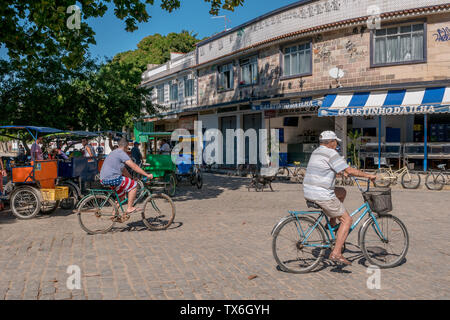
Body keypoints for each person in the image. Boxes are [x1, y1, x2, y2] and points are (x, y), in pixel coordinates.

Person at [303, 131, 377, 266]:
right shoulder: (331, 153)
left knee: (341, 192)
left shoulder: (317, 152)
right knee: (347, 220)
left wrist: (342, 172)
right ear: (330, 142)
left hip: (309, 190)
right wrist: (368, 176)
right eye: (335, 142)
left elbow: (327, 168)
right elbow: (350, 170)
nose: (336, 144)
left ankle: (331, 222)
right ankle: (336, 253)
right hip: (322, 194)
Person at [100, 138, 153, 221]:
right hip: (112, 178)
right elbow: (134, 166)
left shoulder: (114, 152)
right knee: (133, 185)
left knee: (121, 195)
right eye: (128, 147)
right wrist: (147, 174)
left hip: (105, 178)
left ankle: (114, 215)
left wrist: (131, 178)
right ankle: (129, 207)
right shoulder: (121, 153)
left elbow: (123, 169)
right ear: (126, 146)